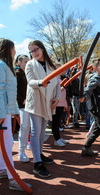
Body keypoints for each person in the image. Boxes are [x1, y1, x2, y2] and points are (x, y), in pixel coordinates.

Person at [0, 38, 31, 191]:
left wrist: (12, 111)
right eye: (13, 48)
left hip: (6, 111)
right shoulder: (0, 65)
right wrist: (1, 113)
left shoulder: (5, 66)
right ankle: (13, 179)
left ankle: (1, 170)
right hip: (3, 112)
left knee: (4, 143)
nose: (15, 51)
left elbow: (7, 91)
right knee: (6, 144)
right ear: (7, 49)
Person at [25, 40, 61, 177]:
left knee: (42, 132)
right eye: (32, 51)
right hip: (36, 100)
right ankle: (37, 163)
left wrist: (57, 98)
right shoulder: (30, 64)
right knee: (36, 130)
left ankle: (39, 154)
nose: (34, 53)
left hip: (48, 102)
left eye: (36, 49)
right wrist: (41, 83)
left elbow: (57, 83)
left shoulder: (50, 64)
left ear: (42, 49)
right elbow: (30, 81)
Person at [15, 54, 31, 163]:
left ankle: (25, 145)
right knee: (24, 127)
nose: (27, 63)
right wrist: (22, 100)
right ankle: (21, 152)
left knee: (28, 126)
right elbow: (15, 90)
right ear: (19, 62)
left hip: (31, 104)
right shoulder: (17, 74)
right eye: (25, 62)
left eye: (28, 61)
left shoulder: (29, 73)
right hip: (22, 105)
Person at [51, 63, 69, 147]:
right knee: (55, 122)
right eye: (58, 69)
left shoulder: (59, 78)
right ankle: (56, 139)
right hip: (56, 103)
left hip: (61, 103)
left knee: (58, 122)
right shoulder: (53, 79)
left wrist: (65, 104)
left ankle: (58, 137)